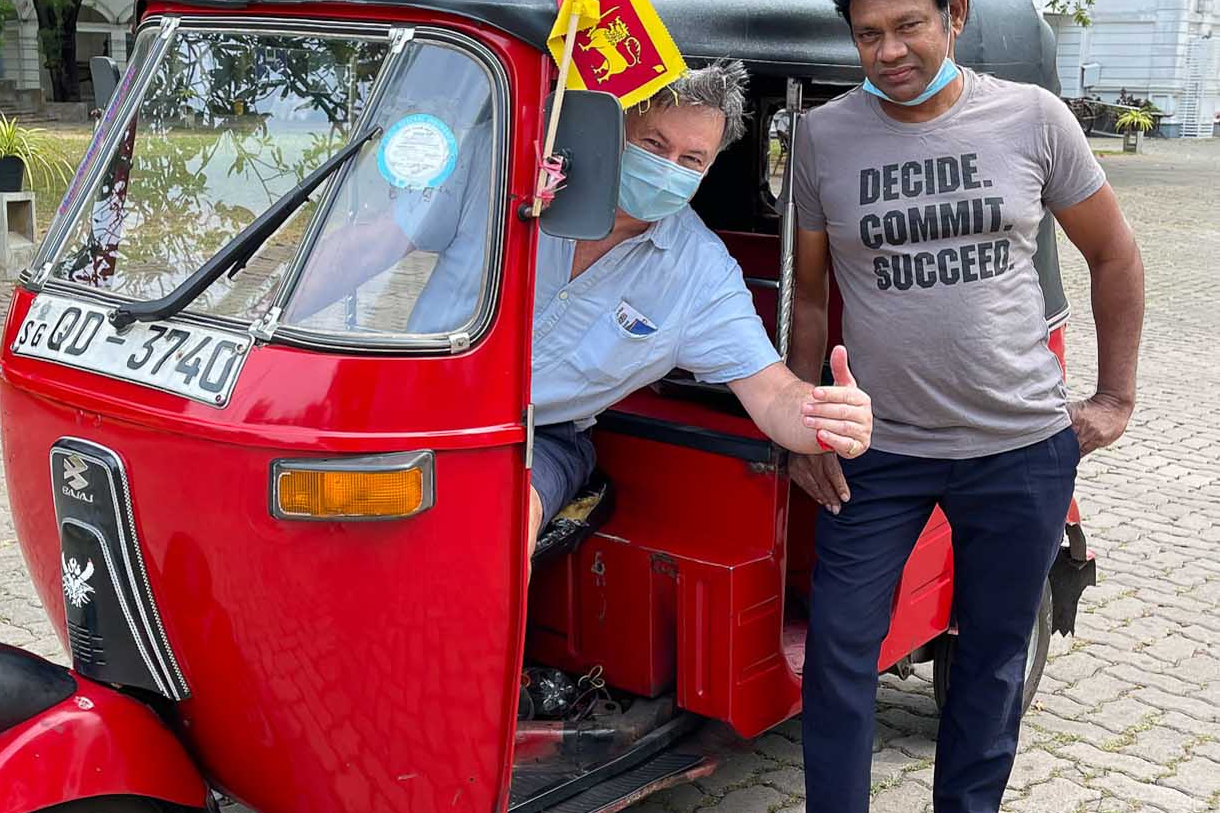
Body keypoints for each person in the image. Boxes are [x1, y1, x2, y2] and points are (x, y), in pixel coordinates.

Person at [765, 0, 1143, 813]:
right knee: (842, 646)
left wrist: (1111, 400)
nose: (888, 50)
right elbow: (808, 297)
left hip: (1020, 445)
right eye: (866, 33)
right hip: (875, 453)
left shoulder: (1033, 119)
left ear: (955, 15)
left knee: (985, 646)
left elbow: (1115, 256)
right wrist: (804, 424)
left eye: (908, 25)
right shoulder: (826, 135)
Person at [287, 62, 875, 561]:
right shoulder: (509, 173)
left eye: (691, 160)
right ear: (613, 131)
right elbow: (375, 243)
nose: (670, 167)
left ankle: (461, 690)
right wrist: (264, 314)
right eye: (654, 145)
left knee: (492, 533)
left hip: (539, 437)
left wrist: (826, 417)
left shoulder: (700, 272)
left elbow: (772, 392)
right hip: (417, 396)